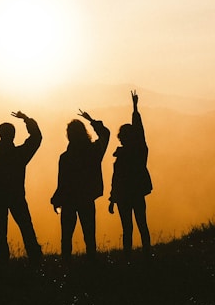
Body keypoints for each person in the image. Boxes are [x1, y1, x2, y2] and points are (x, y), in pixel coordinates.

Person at [0, 111, 43, 263]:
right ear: (13, 135)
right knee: (26, 226)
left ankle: (3, 258)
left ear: (0, 134)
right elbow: (37, 138)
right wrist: (26, 120)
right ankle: (35, 256)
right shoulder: (19, 154)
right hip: (17, 196)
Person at [51, 110, 110, 263]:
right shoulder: (94, 151)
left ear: (69, 135)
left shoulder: (65, 157)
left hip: (69, 201)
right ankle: (91, 265)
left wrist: (56, 199)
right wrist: (92, 121)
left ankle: (66, 265)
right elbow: (105, 134)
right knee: (89, 236)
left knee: (66, 237)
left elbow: (62, 182)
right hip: (87, 198)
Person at [108, 90, 152, 260]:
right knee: (141, 224)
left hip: (123, 196)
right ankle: (146, 255)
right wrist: (134, 108)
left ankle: (128, 258)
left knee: (128, 228)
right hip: (136, 193)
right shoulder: (140, 151)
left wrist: (113, 199)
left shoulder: (126, 154)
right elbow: (140, 131)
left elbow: (116, 180)